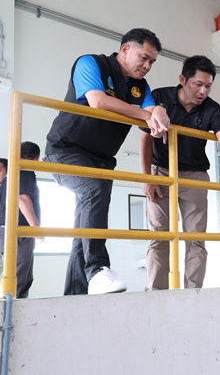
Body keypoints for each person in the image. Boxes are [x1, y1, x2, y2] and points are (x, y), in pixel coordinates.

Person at [44, 28, 170, 295]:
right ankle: (98, 269)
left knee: (85, 225)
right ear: (125, 49)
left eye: (152, 62)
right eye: (144, 58)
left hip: (101, 160)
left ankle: (75, 294)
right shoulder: (91, 63)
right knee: (94, 191)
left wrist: (159, 110)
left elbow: (151, 114)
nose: (147, 66)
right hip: (66, 151)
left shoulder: (141, 87)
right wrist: (146, 114)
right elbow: (98, 101)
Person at [140, 55, 220, 290]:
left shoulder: (212, 108)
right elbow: (145, 138)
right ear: (182, 79)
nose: (203, 91)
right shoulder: (160, 98)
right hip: (161, 172)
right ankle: (156, 293)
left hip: (195, 176)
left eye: (208, 86)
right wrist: (147, 178)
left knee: (196, 238)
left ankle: (193, 293)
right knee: (159, 235)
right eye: (198, 84)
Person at [0, 142, 41, 298]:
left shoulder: (10, 175)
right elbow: (22, 199)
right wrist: (36, 227)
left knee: (19, 277)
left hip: (9, 231)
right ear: (37, 158)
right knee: (19, 280)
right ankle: (10, 312)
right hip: (19, 231)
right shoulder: (24, 170)